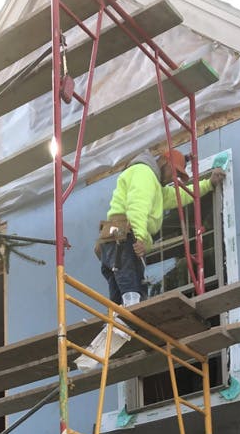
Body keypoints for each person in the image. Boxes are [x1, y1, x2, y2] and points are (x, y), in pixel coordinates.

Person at [76, 149, 225, 370]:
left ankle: (93, 357)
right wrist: (142, 238)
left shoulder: (156, 185)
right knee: (132, 301)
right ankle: (106, 348)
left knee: (121, 308)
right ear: (163, 161)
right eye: (173, 172)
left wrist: (208, 185)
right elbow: (138, 206)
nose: (172, 179)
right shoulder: (144, 173)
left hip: (115, 243)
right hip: (123, 240)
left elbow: (180, 196)